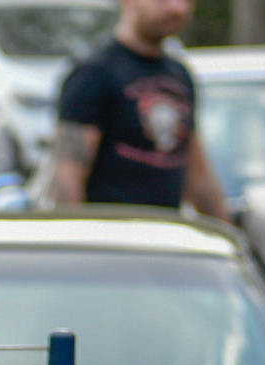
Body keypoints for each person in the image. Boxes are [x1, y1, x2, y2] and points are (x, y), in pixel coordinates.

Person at [50, 0, 229, 218]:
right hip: (116, 244)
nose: (177, 9)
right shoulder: (93, 73)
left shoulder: (180, 75)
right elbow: (68, 178)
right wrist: (76, 244)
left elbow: (199, 177)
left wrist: (232, 237)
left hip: (166, 241)